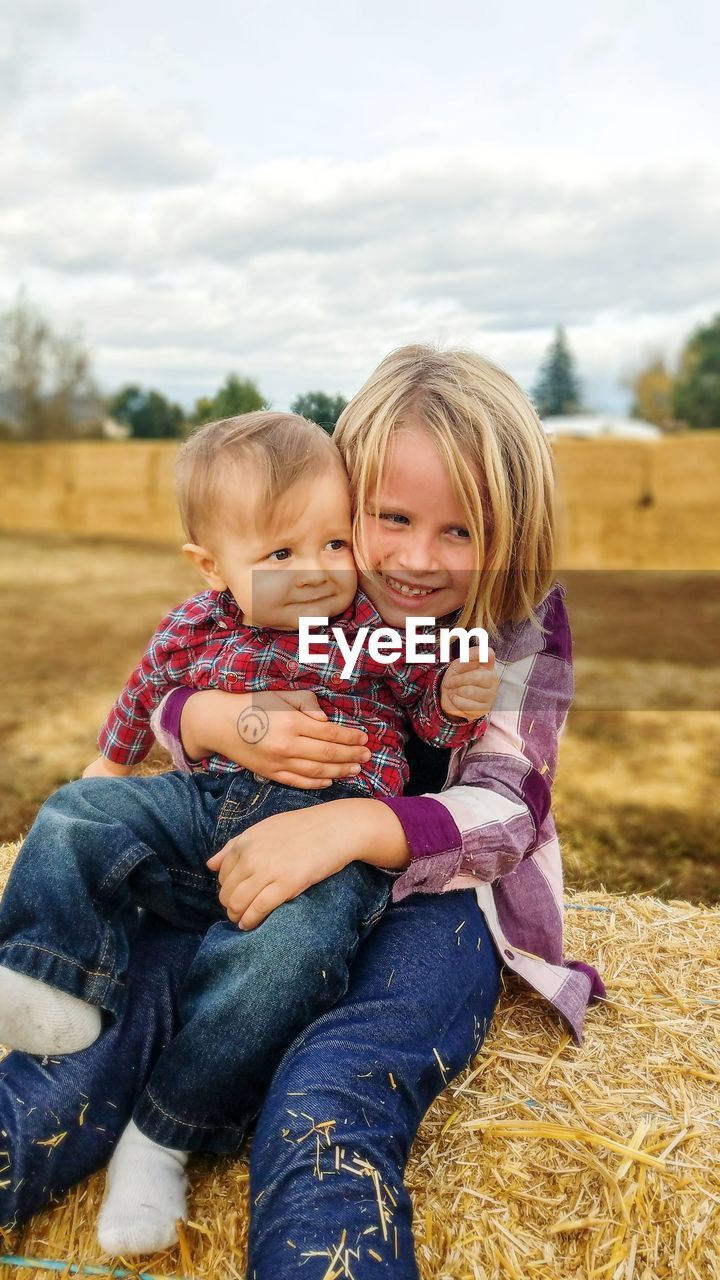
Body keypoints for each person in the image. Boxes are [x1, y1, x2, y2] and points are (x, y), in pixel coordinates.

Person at [0, 344, 604, 1278]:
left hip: (441, 904)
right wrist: (206, 720)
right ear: (341, 498)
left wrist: (352, 825)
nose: (412, 558)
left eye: (462, 531)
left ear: (514, 535)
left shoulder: (517, 623)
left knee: (329, 1099)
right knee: (102, 1037)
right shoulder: (320, 569)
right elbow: (195, 655)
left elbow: (509, 804)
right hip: (256, 847)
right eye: (388, 518)